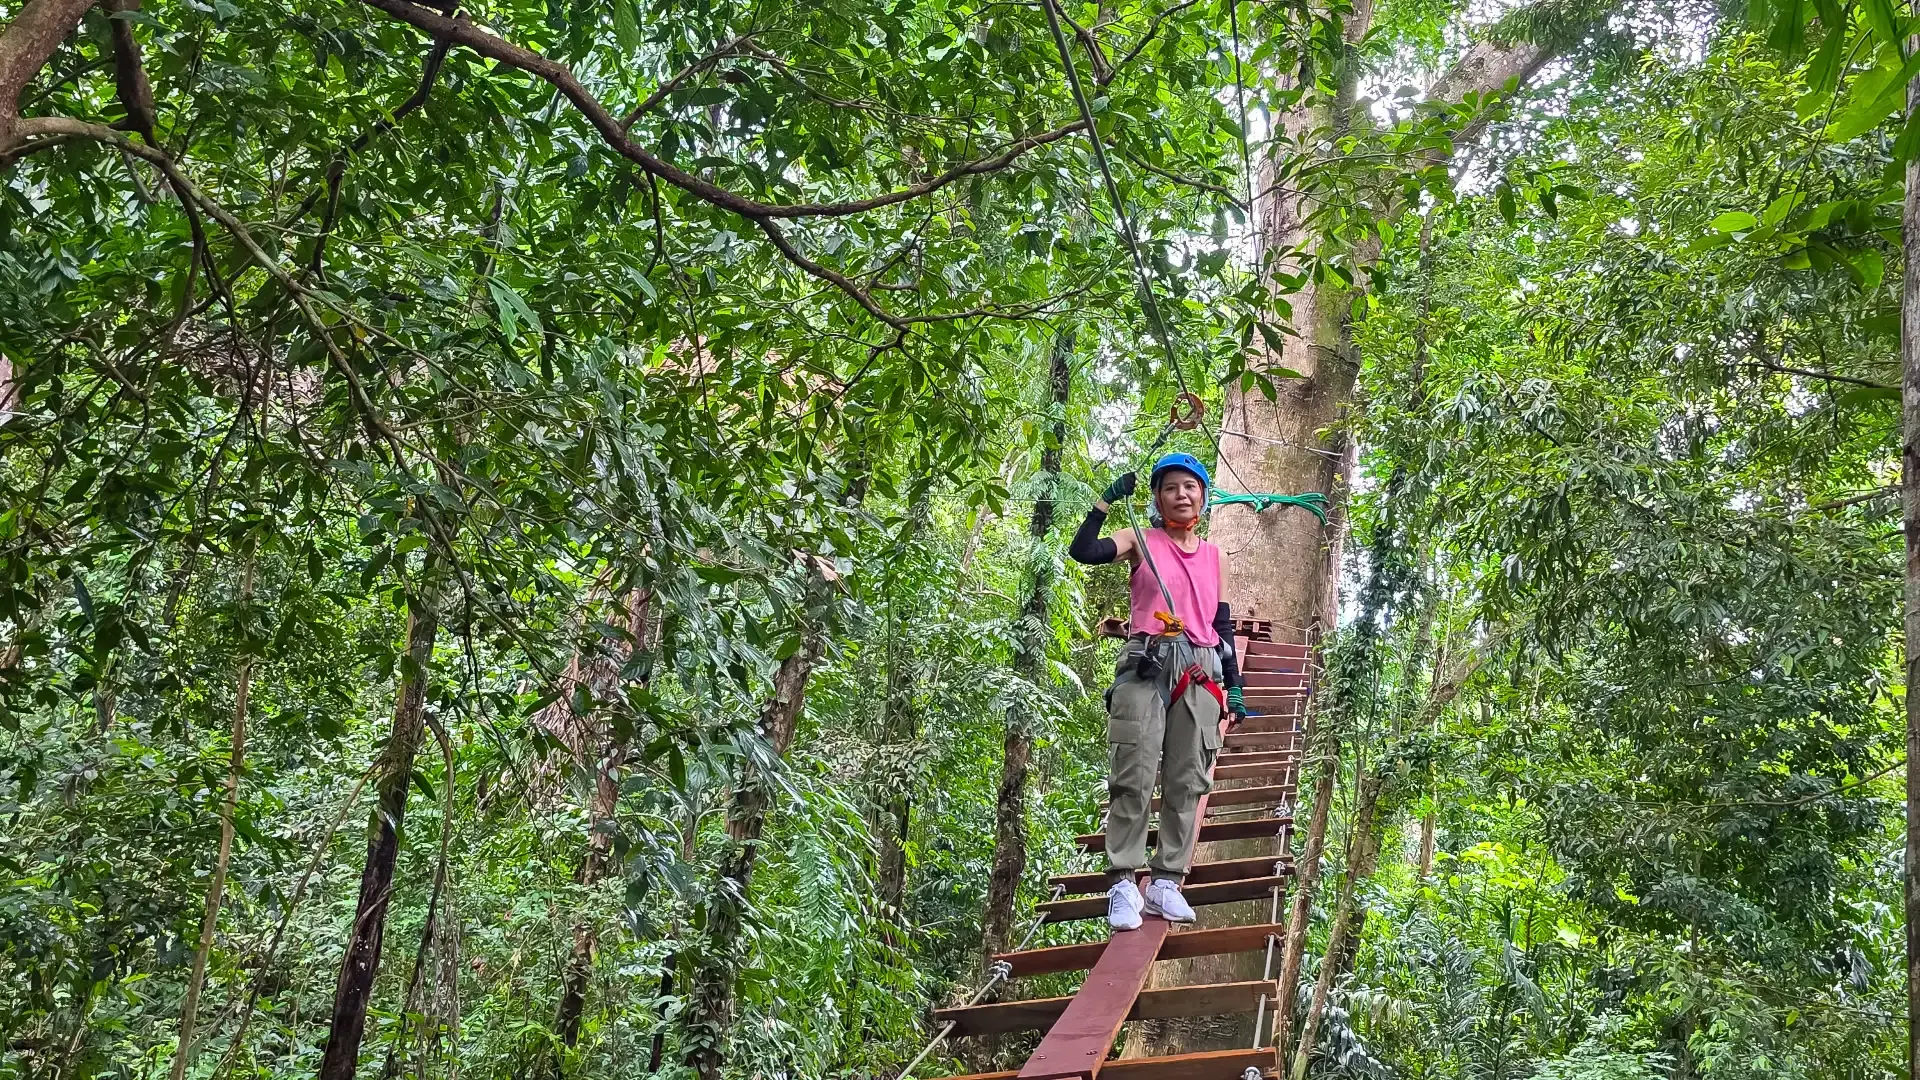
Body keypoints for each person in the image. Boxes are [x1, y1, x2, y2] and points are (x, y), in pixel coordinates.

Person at [1068, 452, 1247, 931]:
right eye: (1170, 487)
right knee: (1135, 773)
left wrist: (1234, 687)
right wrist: (1105, 500)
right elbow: (1083, 550)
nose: (1181, 495)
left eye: (1190, 487)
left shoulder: (1215, 557)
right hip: (1146, 663)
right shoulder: (1140, 541)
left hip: (1200, 668)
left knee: (1188, 779)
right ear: (1156, 498)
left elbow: (1221, 624)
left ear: (1204, 499)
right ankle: (1124, 883)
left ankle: (1166, 881)